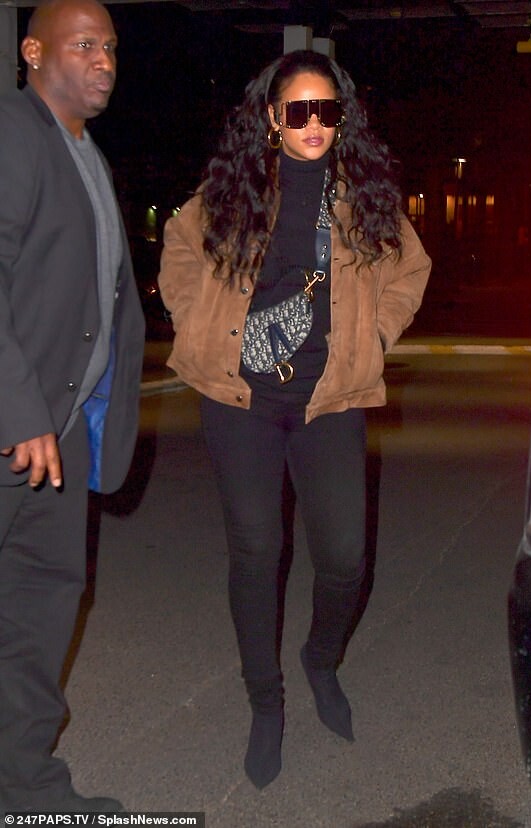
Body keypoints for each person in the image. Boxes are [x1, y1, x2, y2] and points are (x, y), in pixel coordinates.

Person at [158, 48, 431, 790]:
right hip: (239, 400)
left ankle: (320, 659)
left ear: (341, 119)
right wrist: (193, 320)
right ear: (273, 118)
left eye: (326, 110)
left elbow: (411, 270)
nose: (314, 123)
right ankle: (266, 703)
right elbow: (178, 252)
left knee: (344, 556)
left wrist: (376, 336)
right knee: (256, 550)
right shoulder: (230, 191)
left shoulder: (364, 197)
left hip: (328, 400)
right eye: (299, 110)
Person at [0, 0, 145, 813]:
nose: (104, 62)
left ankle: (27, 790)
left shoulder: (86, 153)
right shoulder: (13, 133)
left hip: (57, 437)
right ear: (32, 52)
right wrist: (18, 410)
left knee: (40, 613)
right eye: (84, 45)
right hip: (15, 428)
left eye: (111, 48)